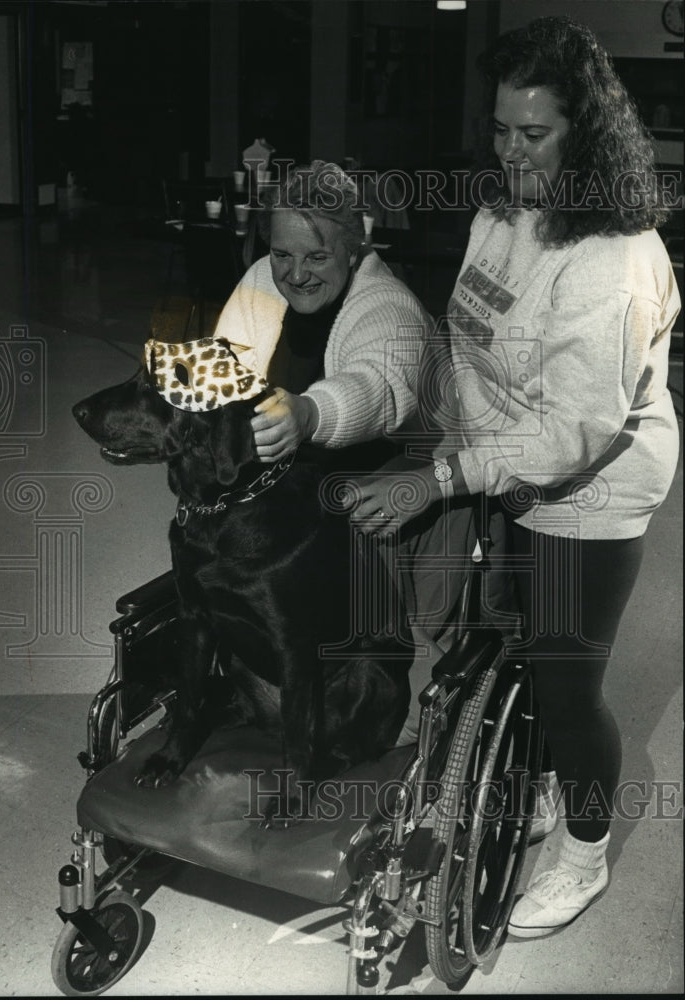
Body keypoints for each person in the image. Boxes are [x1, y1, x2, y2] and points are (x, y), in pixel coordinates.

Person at [352, 15, 680, 939]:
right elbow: (472, 333)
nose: (510, 152)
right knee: (509, 634)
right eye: (500, 129)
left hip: (593, 488)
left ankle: (582, 853)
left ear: (585, 131)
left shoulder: (612, 261)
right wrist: (449, 441)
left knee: (566, 679)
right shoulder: (501, 211)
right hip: (507, 466)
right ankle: (530, 775)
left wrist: (448, 476)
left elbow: (573, 432)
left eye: (531, 134)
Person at [212, 159, 431, 466]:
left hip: (393, 465)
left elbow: (378, 385)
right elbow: (224, 363)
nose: (297, 275)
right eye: (282, 254)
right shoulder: (263, 277)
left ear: (353, 251)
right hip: (290, 462)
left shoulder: (390, 307)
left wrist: (310, 413)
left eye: (317, 257)